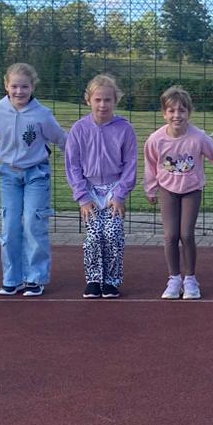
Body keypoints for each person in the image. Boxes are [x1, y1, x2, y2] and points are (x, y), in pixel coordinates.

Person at [0, 63, 66, 297]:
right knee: (10, 225)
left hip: (36, 173)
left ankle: (35, 277)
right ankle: (12, 278)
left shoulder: (42, 114)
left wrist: (73, 162)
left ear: (32, 87)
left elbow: (60, 138)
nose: (19, 91)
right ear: (6, 85)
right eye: (14, 86)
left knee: (33, 223)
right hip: (9, 175)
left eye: (24, 87)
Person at [143, 85, 213, 300]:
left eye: (182, 110)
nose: (177, 115)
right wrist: (151, 188)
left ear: (189, 113)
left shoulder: (198, 137)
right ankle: (174, 278)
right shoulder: (156, 139)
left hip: (192, 189)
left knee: (186, 234)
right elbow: (151, 164)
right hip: (167, 189)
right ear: (164, 113)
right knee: (170, 235)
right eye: (171, 111)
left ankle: (190, 279)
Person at [64, 74, 137, 299]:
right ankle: (94, 279)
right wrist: (82, 197)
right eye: (97, 100)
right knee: (94, 236)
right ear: (88, 100)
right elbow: (73, 164)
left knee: (113, 234)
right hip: (90, 189)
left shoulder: (125, 129)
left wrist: (120, 194)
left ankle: (111, 281)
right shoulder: (79, 129)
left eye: (107, 100)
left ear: (115, 101)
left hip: (114, 188)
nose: (102, 105)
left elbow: (131, 163)